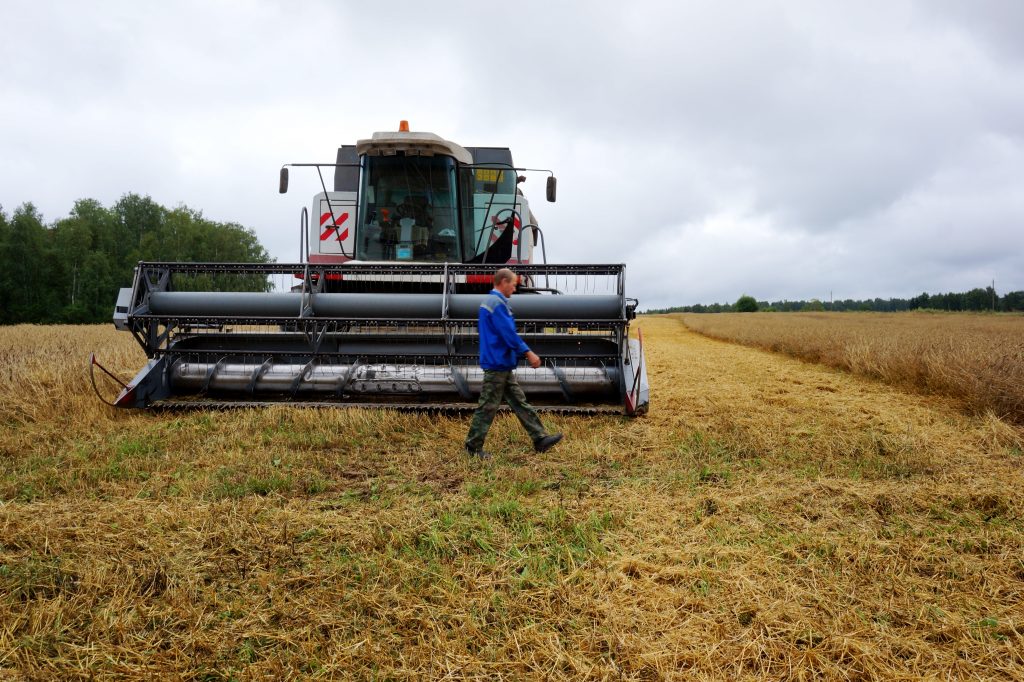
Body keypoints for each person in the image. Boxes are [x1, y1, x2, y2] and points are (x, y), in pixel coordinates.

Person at [465, 268, 563, 458]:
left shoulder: (491, 302)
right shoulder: (497, 304)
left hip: (500, 362)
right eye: (513, 284)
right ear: (503, 281)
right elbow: (508, 334)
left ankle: (539, 438)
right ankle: (473, 446)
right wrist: (528, 353)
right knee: (488, 406)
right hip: (497, 362)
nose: (514, 288)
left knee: (519, 401)